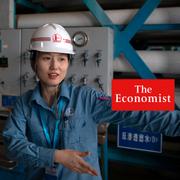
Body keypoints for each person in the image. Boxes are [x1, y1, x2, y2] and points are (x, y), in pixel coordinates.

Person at [2, 23, 180, 180]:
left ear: (68, 63)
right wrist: (56, 156)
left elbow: (134, 111)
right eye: (47, 58)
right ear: (34, 63)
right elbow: (12, 145)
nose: (55, 66)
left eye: (62, 59)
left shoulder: (86, 97)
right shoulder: (23, 104)